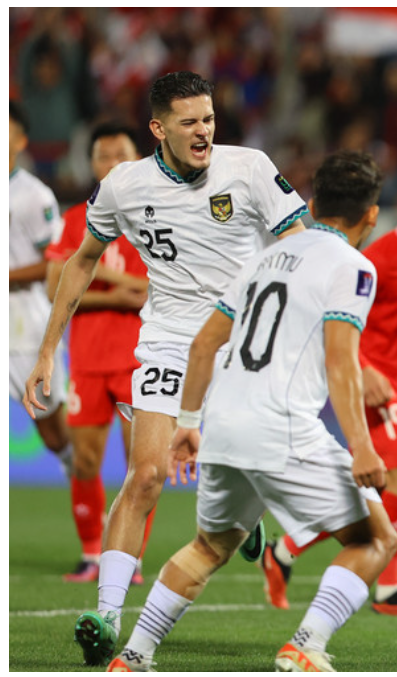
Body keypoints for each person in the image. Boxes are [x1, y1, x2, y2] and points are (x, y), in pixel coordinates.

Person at [22, 71, 310, 667]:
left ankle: (242, 509)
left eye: (209, 119)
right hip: (169, 343)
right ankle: (106, 615)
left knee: (257, 467)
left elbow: (302, 245)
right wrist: (48, 349)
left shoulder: (249, 168)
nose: (204, 131)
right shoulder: (123, 186)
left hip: (242, 343)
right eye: (189, 122)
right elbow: (81, 262)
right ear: (158, 128)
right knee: (146, 474)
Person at [105, 149, 397, 673]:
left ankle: (133, 656)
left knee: (209, 546)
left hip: (222, 424)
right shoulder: (354, 267)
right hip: (281, 426)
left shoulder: (265, 258)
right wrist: (362, 447)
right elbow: (341, 362)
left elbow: (204, 344)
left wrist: (189, 424)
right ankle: (305, 645)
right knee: (377, 537)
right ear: (372, 215)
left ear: (312, 205)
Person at [260, 155, 397, 616]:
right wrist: (363, 367)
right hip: (374, 385)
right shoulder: (381, 256)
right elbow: (334, 317)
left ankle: (285, 550)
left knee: (380, 484)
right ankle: (387, 589)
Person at [45, 121, 151, 584]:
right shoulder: (75, 219)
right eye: (102, 156)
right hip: (87, 360)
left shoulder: (156, 215)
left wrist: (100, 278)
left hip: (139, 360)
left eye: (120, 154)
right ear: (91, 164)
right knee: (85, 462)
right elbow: (55, 289)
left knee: (141, 465)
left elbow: (156, 290)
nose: (111, 164)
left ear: (137, 159)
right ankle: (92, 553)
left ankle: (129, 559)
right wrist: (118, 289)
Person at [9, 101, 73, 481]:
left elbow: (57, 262)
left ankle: (77, 471)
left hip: (25, 325)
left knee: (52, 433)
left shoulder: (34, 196)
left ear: (21, 141)